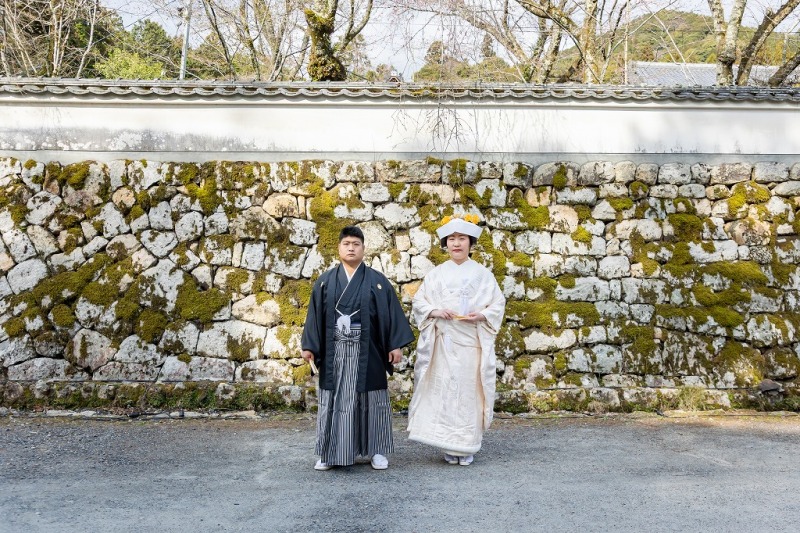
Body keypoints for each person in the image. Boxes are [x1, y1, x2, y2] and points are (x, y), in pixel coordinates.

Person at [301, 225, 415, 471]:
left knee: (372, 399)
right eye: (346, 244)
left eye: (356, 244)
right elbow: (314, 317)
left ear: (364, 249)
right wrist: (310, 346)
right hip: (335, 352)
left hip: (369, 350)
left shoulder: (377, 281)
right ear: (339, 248)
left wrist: (395, 345)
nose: (351, 248)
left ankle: (376, 450)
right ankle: (329, 452)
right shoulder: (325, 282)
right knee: (334, 401)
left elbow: (391, 313)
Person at [407, 214, 506, 466]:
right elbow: (420, 301)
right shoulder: (436, 274)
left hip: (469, 344)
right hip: (444, 343)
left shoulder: (483, 275)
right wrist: (435, 311)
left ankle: (466, 445)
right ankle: (447, 444)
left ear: (470, 244)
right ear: (445, 244)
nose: (456, 243)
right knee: (444, 393)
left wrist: (482, 315)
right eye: (451, 239)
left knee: (467, 394)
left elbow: (498, 303)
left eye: (462, 238)